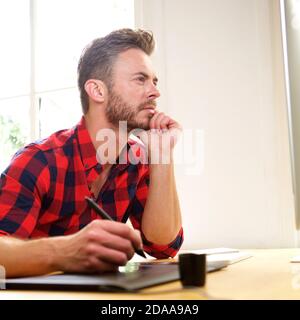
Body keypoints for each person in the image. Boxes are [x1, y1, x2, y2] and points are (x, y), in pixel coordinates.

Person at [0, 28, 183, 277]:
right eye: (140, 79)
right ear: (97, 91)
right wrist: (65, 251)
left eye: (154, 81)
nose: (154, 92)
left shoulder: (136, 161)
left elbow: (163, 247)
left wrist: (162, 155)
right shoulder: (38, 161)